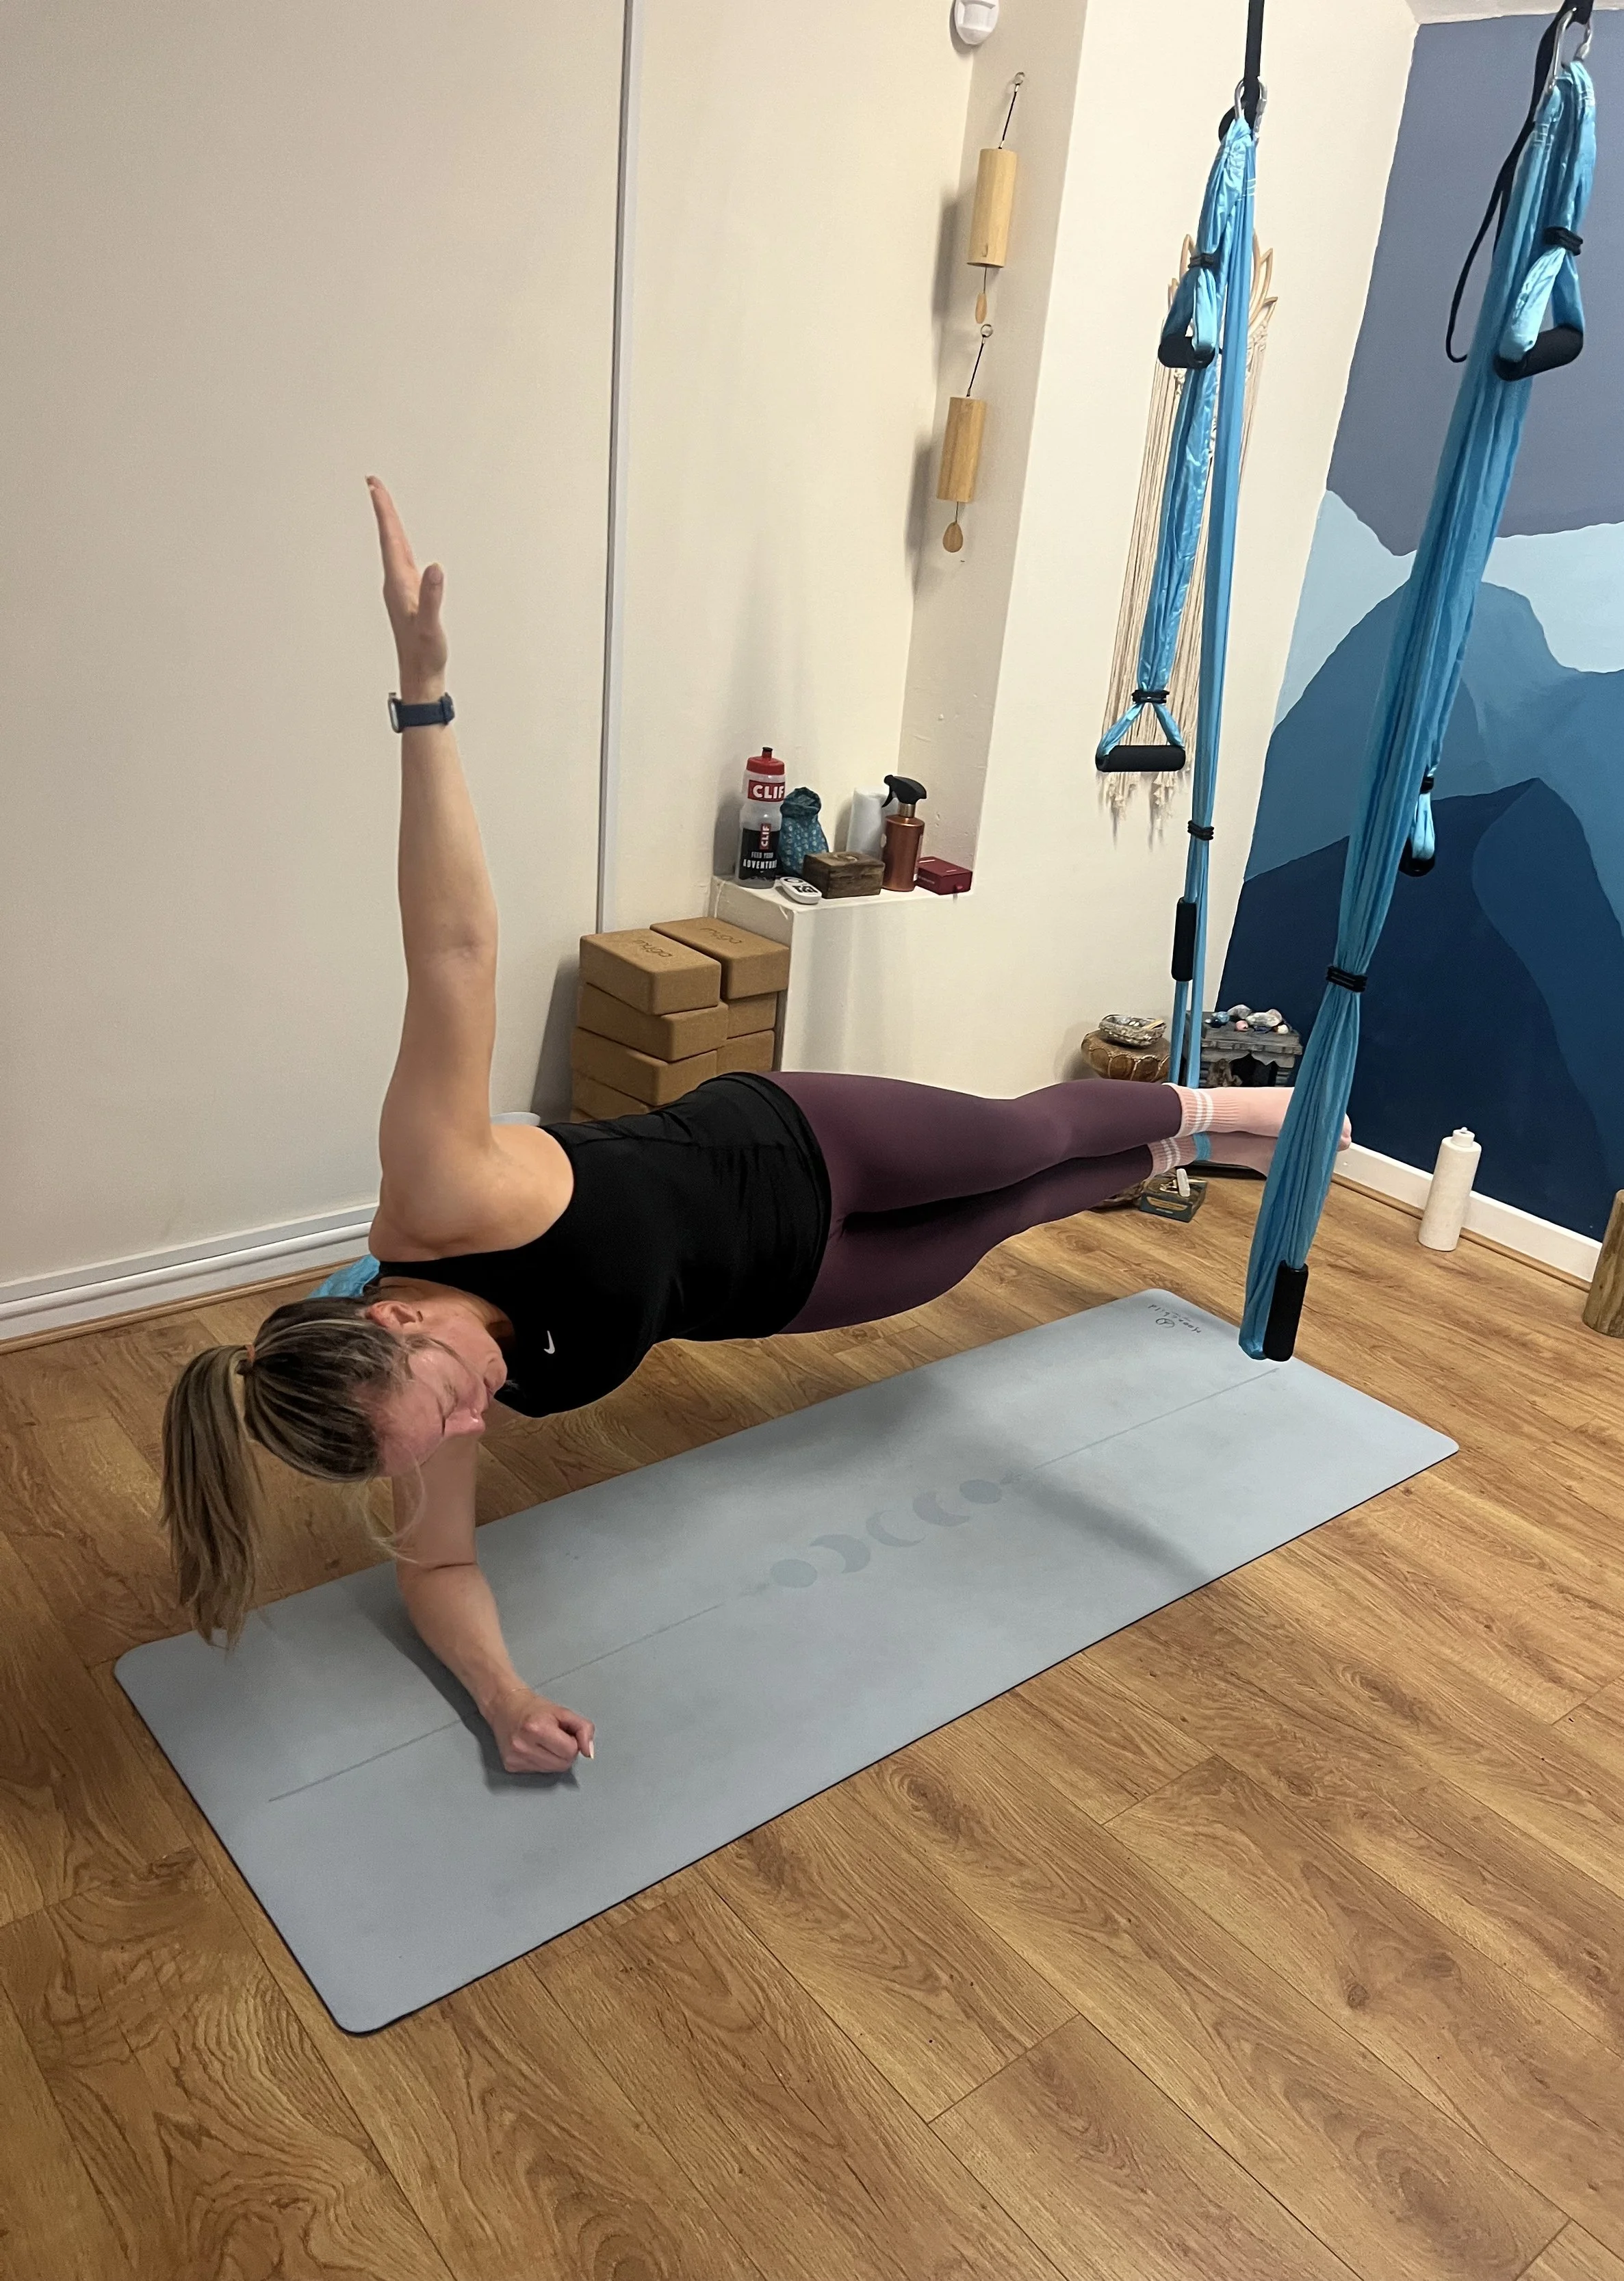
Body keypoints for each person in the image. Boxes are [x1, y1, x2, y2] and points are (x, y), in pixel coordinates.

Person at [159, 480, 1324, 1775]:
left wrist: (422, 697)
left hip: (798, 1145)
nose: (468, 1435)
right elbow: (437, 1565)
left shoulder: (437, 1198)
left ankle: (1237, 1106)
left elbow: (454, 951)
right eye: (435, 1445)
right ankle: (1174, 1154)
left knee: (1022, 1141)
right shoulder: (417, 1410)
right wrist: (501, 1699)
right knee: (1005, 1222)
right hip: (795, 1282)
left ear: (395, 1318)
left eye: (441, 1410)